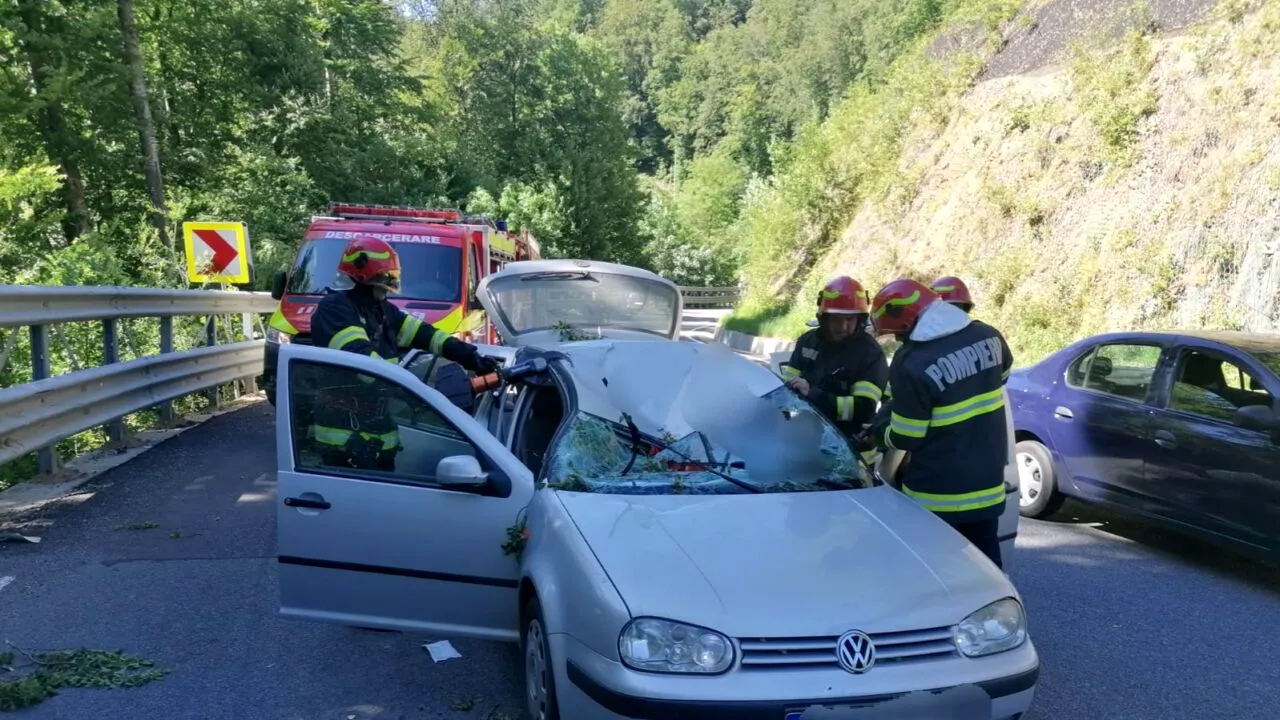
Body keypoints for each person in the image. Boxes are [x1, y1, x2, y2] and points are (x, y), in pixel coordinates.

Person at [309, 235, 498, 470]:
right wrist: (417, 391)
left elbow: (426, 335)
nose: (388, 288)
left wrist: (469, 356)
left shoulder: (380, 310)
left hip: (378, 429)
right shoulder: (334, 310)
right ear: (364, 278)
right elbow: (363, 363)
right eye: (383, 280)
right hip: (344, 436)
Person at [867, 278, 1013, 568]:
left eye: (896, 334)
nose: (897, 340)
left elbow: (908, 436)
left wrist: (879, 433)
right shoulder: (988, 336)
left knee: (931, 578)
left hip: (935, 496)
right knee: (987, 573)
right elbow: (1003, 376)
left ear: (905, 322)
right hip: (988, 487)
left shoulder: (911, 362)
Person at [780, 276, 889, 449]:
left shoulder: (869, 353)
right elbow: (784, 388)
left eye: (849, 320)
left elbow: (864, 408)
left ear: (859, 320)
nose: (843, 326)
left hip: (849, 447)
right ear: (825, 318)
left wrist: (814, 395)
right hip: (808, 439)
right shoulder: (808, 341)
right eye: (837, 319)